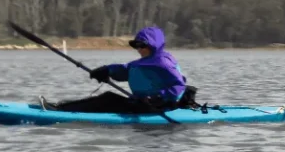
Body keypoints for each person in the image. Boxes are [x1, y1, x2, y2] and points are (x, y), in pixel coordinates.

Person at [51, 26, 191, 114]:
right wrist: (106, 70)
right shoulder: (142, 63)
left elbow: (179, 86)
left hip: (159, 107)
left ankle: (59, 110)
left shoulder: (163, 62)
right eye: (137, 46)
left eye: (143, 46)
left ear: (154, 46)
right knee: (108, 98)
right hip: (142, 104)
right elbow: (125, 71)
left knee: (108, 99)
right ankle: (60, 107)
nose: (139, 49)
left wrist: (157, 97)